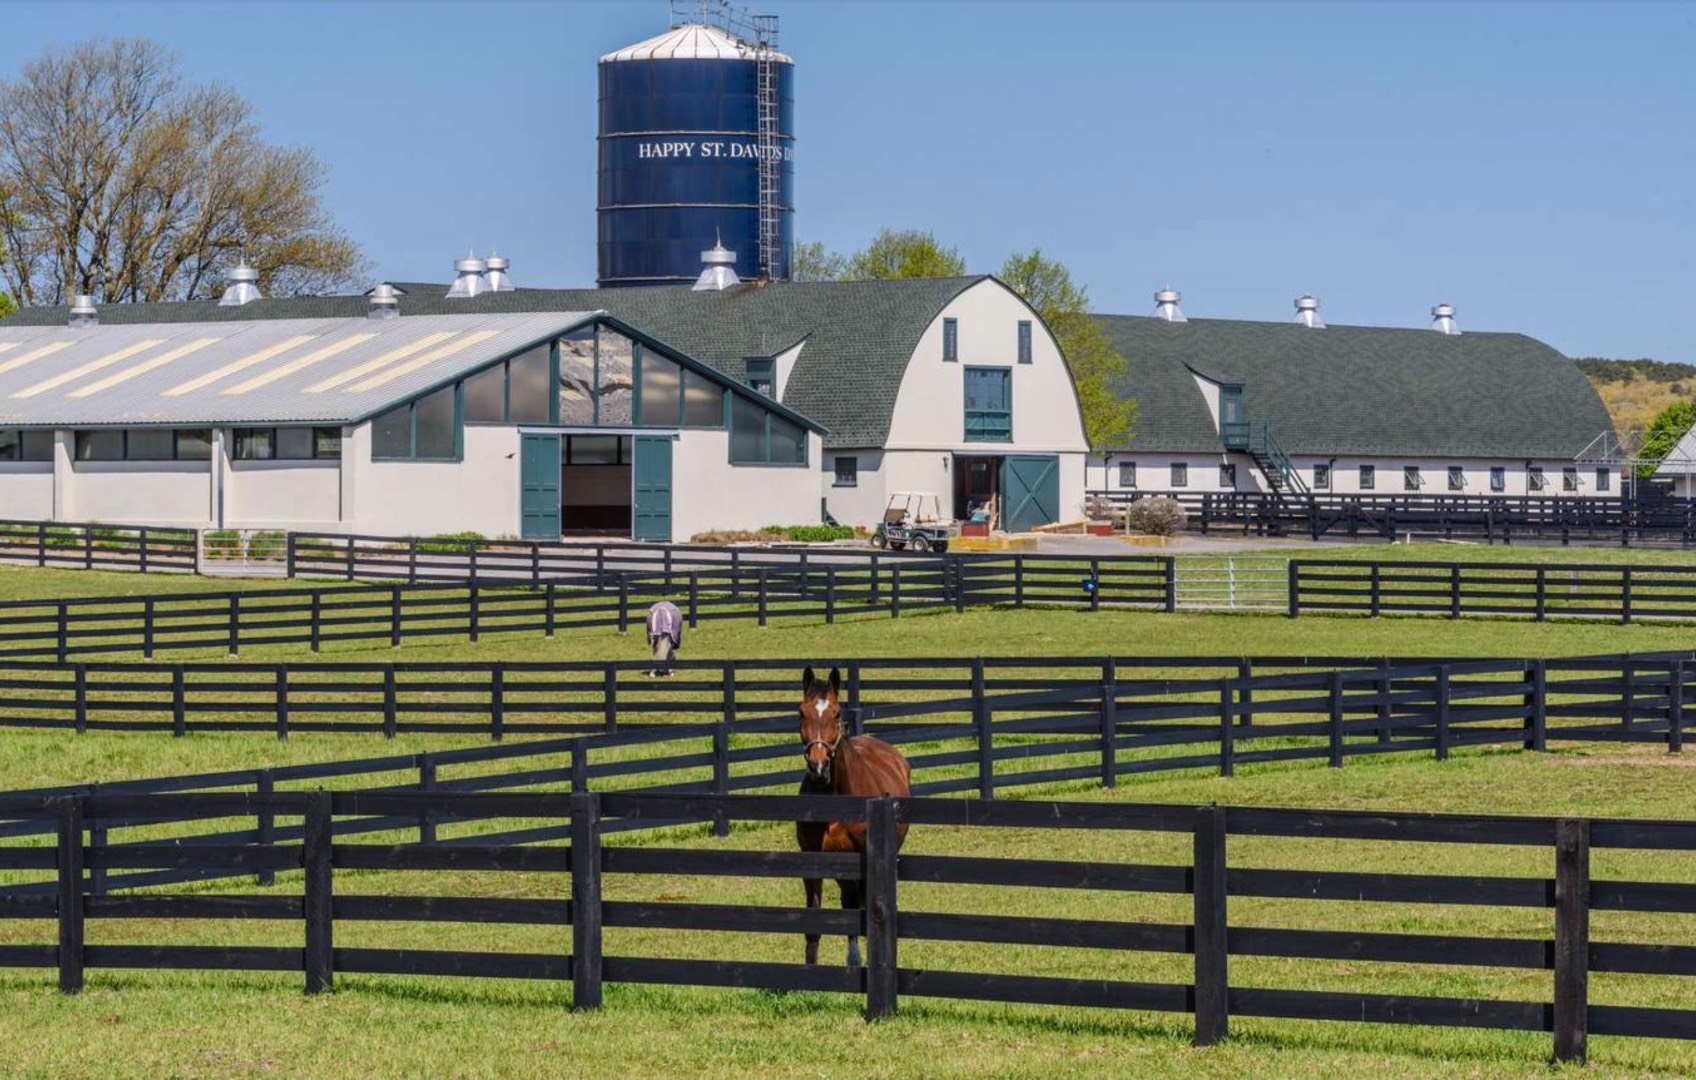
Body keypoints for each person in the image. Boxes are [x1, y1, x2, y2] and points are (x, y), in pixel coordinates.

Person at [645, 600, 683, 677]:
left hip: (653, 613)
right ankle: (667, 667)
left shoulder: (651, 612)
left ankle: (657, 668)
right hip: (673, 613)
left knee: (656, 644)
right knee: (668, 643)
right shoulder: (675, 611)